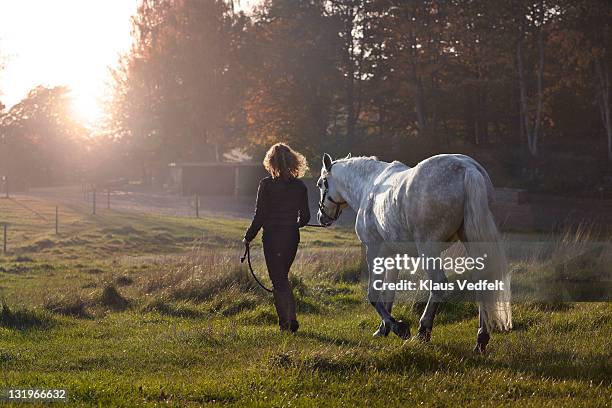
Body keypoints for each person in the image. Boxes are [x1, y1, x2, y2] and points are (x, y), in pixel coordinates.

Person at [243, 143, 310, 333]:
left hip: (272, 237)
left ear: (270, 162)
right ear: (293, 162)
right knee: (282, 278)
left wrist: (248, 237)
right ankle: (290, 320)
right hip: (291, 237)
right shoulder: (300, 187)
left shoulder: (266, 185)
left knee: (278, 280)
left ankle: (287, 323)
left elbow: (260, 215)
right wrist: (293, 223)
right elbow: (305, 218)